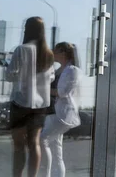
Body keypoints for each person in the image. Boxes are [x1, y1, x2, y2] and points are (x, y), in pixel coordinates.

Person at [6, 16, 55, 177]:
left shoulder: (22, 49)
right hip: (40, 105)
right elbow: (52, 77)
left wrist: (23, 75)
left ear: (27, 30)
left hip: (21, 101)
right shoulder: (48, 53)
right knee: (34, 144)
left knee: (19, 145)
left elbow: (10, 75)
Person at [41, 42, 81, 177]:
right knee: (56, 150)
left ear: (63, 53)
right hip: (53, 113)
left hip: (61, 114)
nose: (53, 52)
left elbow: (62, 92)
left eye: (55, 50)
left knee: (42, 141)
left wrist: (40, 88)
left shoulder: (72, 70)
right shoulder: (59, 69)